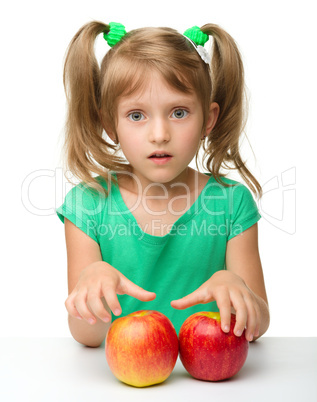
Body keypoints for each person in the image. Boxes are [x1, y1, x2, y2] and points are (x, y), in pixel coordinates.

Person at [57, 21, 270, 348]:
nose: (159, 134)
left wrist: (237, 287)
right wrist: (93, 286)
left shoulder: (232, 203)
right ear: (108, 123)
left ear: (208, 120)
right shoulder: (87, 204)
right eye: (137, 115)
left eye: (179, 112)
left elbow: (260, 324)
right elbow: (86, 337)